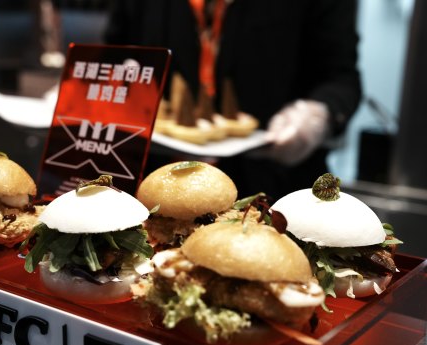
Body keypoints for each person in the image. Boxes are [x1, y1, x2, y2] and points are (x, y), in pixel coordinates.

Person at [104, 0, 361, 200]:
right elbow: (114, 54)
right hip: (152, 179)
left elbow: (342, 78)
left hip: (272, 187)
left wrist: (316, 114)